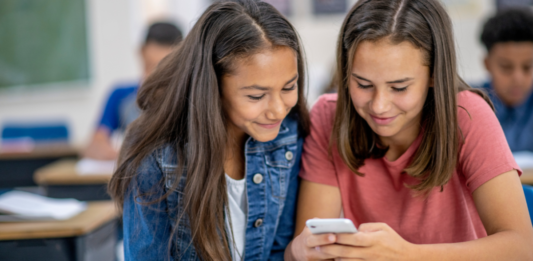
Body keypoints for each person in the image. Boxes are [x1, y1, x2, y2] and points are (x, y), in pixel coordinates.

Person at [285, 0, 533, 260]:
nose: (379, 106)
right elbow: (305, 247)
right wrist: (301, 251)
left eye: (400, 87)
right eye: (363, 84)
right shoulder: (329, 116)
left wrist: (406, 254)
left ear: (434, 74)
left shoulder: (468, 114)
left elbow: (522, 248)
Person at [108, 0, 310, 260]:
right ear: (212, 86)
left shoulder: (287, 136)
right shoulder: (156, 158)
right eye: (257, 96)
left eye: (288, 87)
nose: (278, 110)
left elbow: (278, 251)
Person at [84, 22, 183, 160]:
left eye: (165, 70)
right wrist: (125, 157)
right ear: (141, 52)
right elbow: (94, 146)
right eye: (150, 66)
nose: (155, 77)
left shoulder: (186, 99)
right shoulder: (121, 96)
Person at [480, 8, 533, 152]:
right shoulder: (469, 106)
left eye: (527, 67)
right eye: (506, 67)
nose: (518, 78)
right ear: (487, 64)